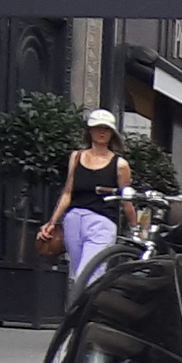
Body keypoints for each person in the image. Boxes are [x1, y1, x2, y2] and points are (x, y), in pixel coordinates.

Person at [43, 110, 130, 300]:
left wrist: (136, 225)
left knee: (88, 272)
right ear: (89, 131)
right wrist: (52, 222)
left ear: (112, 134)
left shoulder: (120, 164)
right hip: (74, 220)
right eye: (98, 128)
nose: (101, 132)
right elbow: (68, 192)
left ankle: (83, 318)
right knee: (77, 274)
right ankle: (80, 318)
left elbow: (126, 198)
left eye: (106, 129)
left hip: (102, 221)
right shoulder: (76, 157)